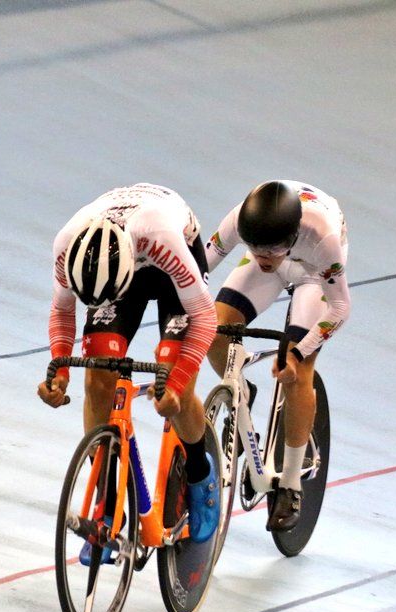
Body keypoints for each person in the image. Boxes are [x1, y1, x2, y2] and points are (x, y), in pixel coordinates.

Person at [37, 183, 220, 560]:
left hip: (170, 267)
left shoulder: (162, 238)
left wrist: (179, 380)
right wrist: (60, 370)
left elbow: (205, 319)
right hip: (116, 268)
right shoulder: (67, 247)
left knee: (173, 385)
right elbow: (62, 311)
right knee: (98, 378)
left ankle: (201, 476)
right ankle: (108, 503)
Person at [205, 180, 350, 532]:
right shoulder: (241, 221)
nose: (262, 258)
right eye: (256, 250)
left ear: (288, 240)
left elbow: (341, 308)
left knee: (297, 373)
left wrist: (299, 352)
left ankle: (290, 484)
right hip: (285, 254)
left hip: (315, 275)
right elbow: (197, 268)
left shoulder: (322, 239)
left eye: (269, 252)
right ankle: (243, 392)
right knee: (213, 332)